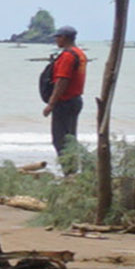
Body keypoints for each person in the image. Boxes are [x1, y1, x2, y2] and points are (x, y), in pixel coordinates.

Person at [38, 25, 89, 165]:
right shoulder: (80, 54)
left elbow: (62, 80)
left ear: (64, 38)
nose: (56, 40)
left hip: (64, 102)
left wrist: (51, 104)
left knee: (60, 140)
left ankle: (69, 171)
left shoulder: (67, 56)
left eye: (57, 37)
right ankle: (72, 169)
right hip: (75, 100)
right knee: (70, 137)